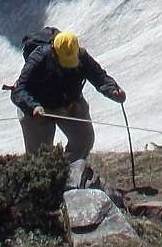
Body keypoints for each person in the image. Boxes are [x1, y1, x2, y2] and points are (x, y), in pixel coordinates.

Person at [10, 29, 126, 165]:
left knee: (84, 140)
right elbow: (19, 90)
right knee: (39, 155)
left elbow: (99, 76)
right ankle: (45, 179)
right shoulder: (39, 57)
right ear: (54, 51)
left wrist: (113, 90)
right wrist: (33, 107)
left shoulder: (81, 55)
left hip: (69, 104)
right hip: (37, 108)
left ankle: (68, 172)